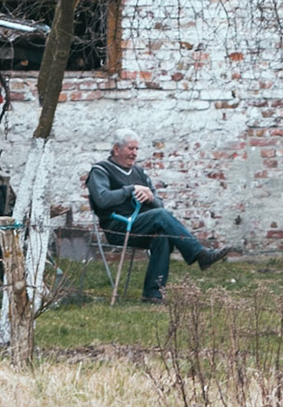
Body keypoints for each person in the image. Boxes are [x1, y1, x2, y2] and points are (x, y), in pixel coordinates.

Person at [87, 129, 233, 302]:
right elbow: (102, 199)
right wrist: (130, 190)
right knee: (161, 216)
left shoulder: (139, 173)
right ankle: (200, 254)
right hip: (117, 226)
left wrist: (150, 198)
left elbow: (159, 205)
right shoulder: (100, 170)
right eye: (130, 148)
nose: (134, 153)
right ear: (116, 149)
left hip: (140, 226)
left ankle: (153, 294)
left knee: (162, 236)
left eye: (136, 149)